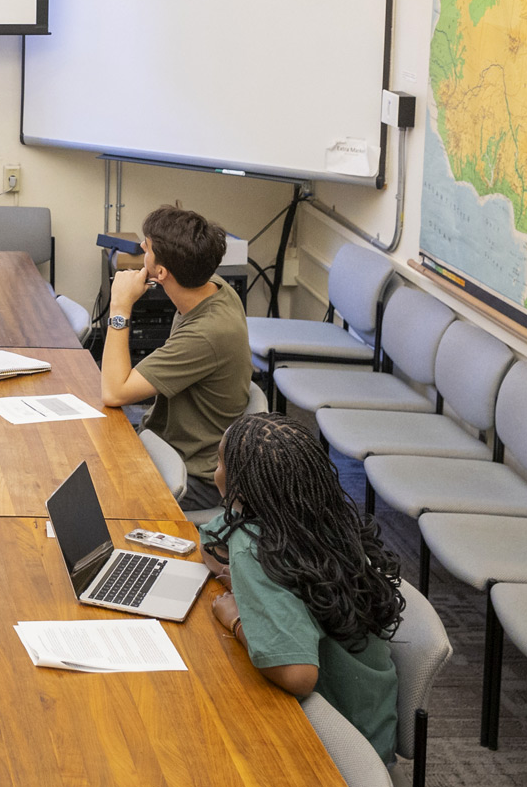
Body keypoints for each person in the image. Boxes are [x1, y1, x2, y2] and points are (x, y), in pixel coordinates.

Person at [202, 411, 403, 757]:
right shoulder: (313, 514)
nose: (213, 471)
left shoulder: (256, 547)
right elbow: (212, 543)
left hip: (340, 749)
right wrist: (247, 583)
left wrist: (235, 617)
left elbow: (298, 675)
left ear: (243, 486)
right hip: (372, 722)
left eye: (220, 462)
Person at [96, 204, 252, 511]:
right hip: (174, 442)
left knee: (99, 497)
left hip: (195, 475)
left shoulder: (207, 334)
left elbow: (114, 392)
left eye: (148, 247)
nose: (142, 248)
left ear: (162, 272)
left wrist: (120, 307)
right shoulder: (216, 287)